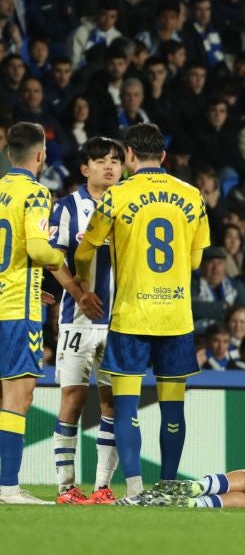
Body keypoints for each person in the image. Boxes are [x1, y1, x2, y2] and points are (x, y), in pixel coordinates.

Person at [75, 122, 210, 503]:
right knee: (173, 407)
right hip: (175, 317)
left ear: (130, 156)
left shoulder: (116, 197)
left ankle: (134, 488)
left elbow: (85, 251)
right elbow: (197, 259)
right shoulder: (192, 196)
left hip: (132, 314)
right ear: (163, 156)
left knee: (126, 405)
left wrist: (85, 285)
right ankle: (167, 486)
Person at [0, 123, 93, 505]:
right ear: (40, 156)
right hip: (16, 312)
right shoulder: (36, 193)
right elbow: (39, 249)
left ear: (9, 154)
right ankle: (7, 487)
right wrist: (62, 258)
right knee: (17, 396)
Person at [49, 137, 124, 505]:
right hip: (76, 322)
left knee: (111, 404)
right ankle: (66, 487)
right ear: (85, 168)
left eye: (115, 160)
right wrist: (79, 293)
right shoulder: (67, 207)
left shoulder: (131, 208)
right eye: (100, 160)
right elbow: (52, 259)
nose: (109, 166)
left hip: (120, 323)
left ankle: (102, 487)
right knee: (73, 400)